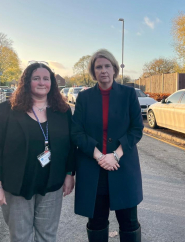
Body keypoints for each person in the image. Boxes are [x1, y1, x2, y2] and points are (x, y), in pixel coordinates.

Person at [0, 62, 75, 242]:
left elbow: (70, 146)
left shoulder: (63, 112)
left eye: (46, 79)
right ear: (27, 82)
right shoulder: (7, 111)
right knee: (20, 237)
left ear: (52, 83)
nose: (42, 82)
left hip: (52, 184)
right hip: (16, 185)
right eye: (36, 78)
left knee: (47, 236)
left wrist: (70, 174)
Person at [71, 49, 144, 242]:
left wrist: (116, 155)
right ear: (93, 72)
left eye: (107, 66)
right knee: (96, 223)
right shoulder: (84, 98)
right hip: (93, 169)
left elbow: (136, 129)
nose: (103, 70)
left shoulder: (128, 94)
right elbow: (76, 132)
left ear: (114, 69)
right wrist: (99, 156)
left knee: (129, 223)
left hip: (122, 166)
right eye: (98, 67)